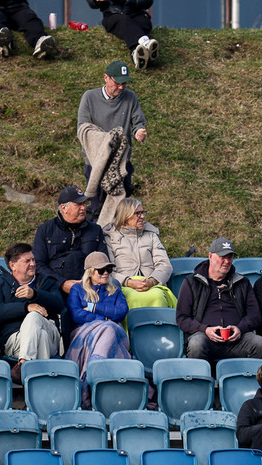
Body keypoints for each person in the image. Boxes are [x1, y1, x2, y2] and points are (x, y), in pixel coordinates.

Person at [33, 185, 107, 348]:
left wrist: (87, 283)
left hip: (88, 287)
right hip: (55, 288)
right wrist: (62, 283)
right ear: (64, 208)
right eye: (78, 204)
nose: (83, 208)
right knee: (66, 311)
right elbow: (38, 264)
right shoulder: (45, 230)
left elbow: (102, 261)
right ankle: (69, 354)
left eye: (84, 204)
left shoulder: (95, 230)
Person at [175, 237, 262, 366]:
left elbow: (255, 316)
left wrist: (240, 329)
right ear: (210, 256)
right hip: (206, 338)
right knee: (196, 344)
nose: (227, 261)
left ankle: (249, 377)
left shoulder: (242, 282)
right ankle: (203, 378)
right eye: (222, 257)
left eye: (230, 257)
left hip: (238, 340)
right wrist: (205, 329)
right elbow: (182, 318)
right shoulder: (191, 282)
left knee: (259, 343)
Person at [77, 61, 148, 222]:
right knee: (96, 207)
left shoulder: (130, 97)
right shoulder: (89, 97)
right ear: (106, 78)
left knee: (120, 208)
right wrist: (107, 141)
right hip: (95, 162)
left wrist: (138, 131)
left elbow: (138, 121)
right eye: (117, 83)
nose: (121, 87)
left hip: (121, 163)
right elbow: (83, 129)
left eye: (124, 83)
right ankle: (96, 233)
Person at [0, 243, 64, 384]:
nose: (33, 264)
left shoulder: (46, 281)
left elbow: (59, 304)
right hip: (15, 340)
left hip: (51, 334)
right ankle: (41, 383)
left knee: (34, 317)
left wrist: (35, 294)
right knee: (40, 334)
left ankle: (23, 363)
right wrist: (26, 307)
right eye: (27, 261)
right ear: (13, 265)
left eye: (33, 260)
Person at [65, 252, 131, 408]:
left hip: (115, 332)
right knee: (107, 327)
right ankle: (101, 379)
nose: (106, 273)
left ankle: (91, 375)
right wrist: (105, 319)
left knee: (109, 328)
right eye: (101, 270)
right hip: (85, 333)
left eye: (109, 269)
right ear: (90, 272)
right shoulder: (77, 289)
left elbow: (121, 312)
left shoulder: (115, 289)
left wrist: (93, 307)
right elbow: (76, 314)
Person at [103, 197, 174, 310]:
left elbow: (164, 264)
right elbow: (108, 270)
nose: (142, 217)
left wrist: (152, 281)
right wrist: (128, 282)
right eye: (138, 213)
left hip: (152, 285)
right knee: (129, 298)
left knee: (158, 296)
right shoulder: (110, 237)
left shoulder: (151, 235)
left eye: (143, 212)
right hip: (123, 286)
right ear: (126, 215)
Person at [86, 0, 159, 70]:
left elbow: (147, 2)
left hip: (137, 14)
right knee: (123, 21)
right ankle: (145, 43)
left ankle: (136, 52)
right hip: (114, 15)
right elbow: (92, 3)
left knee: (140, 22)